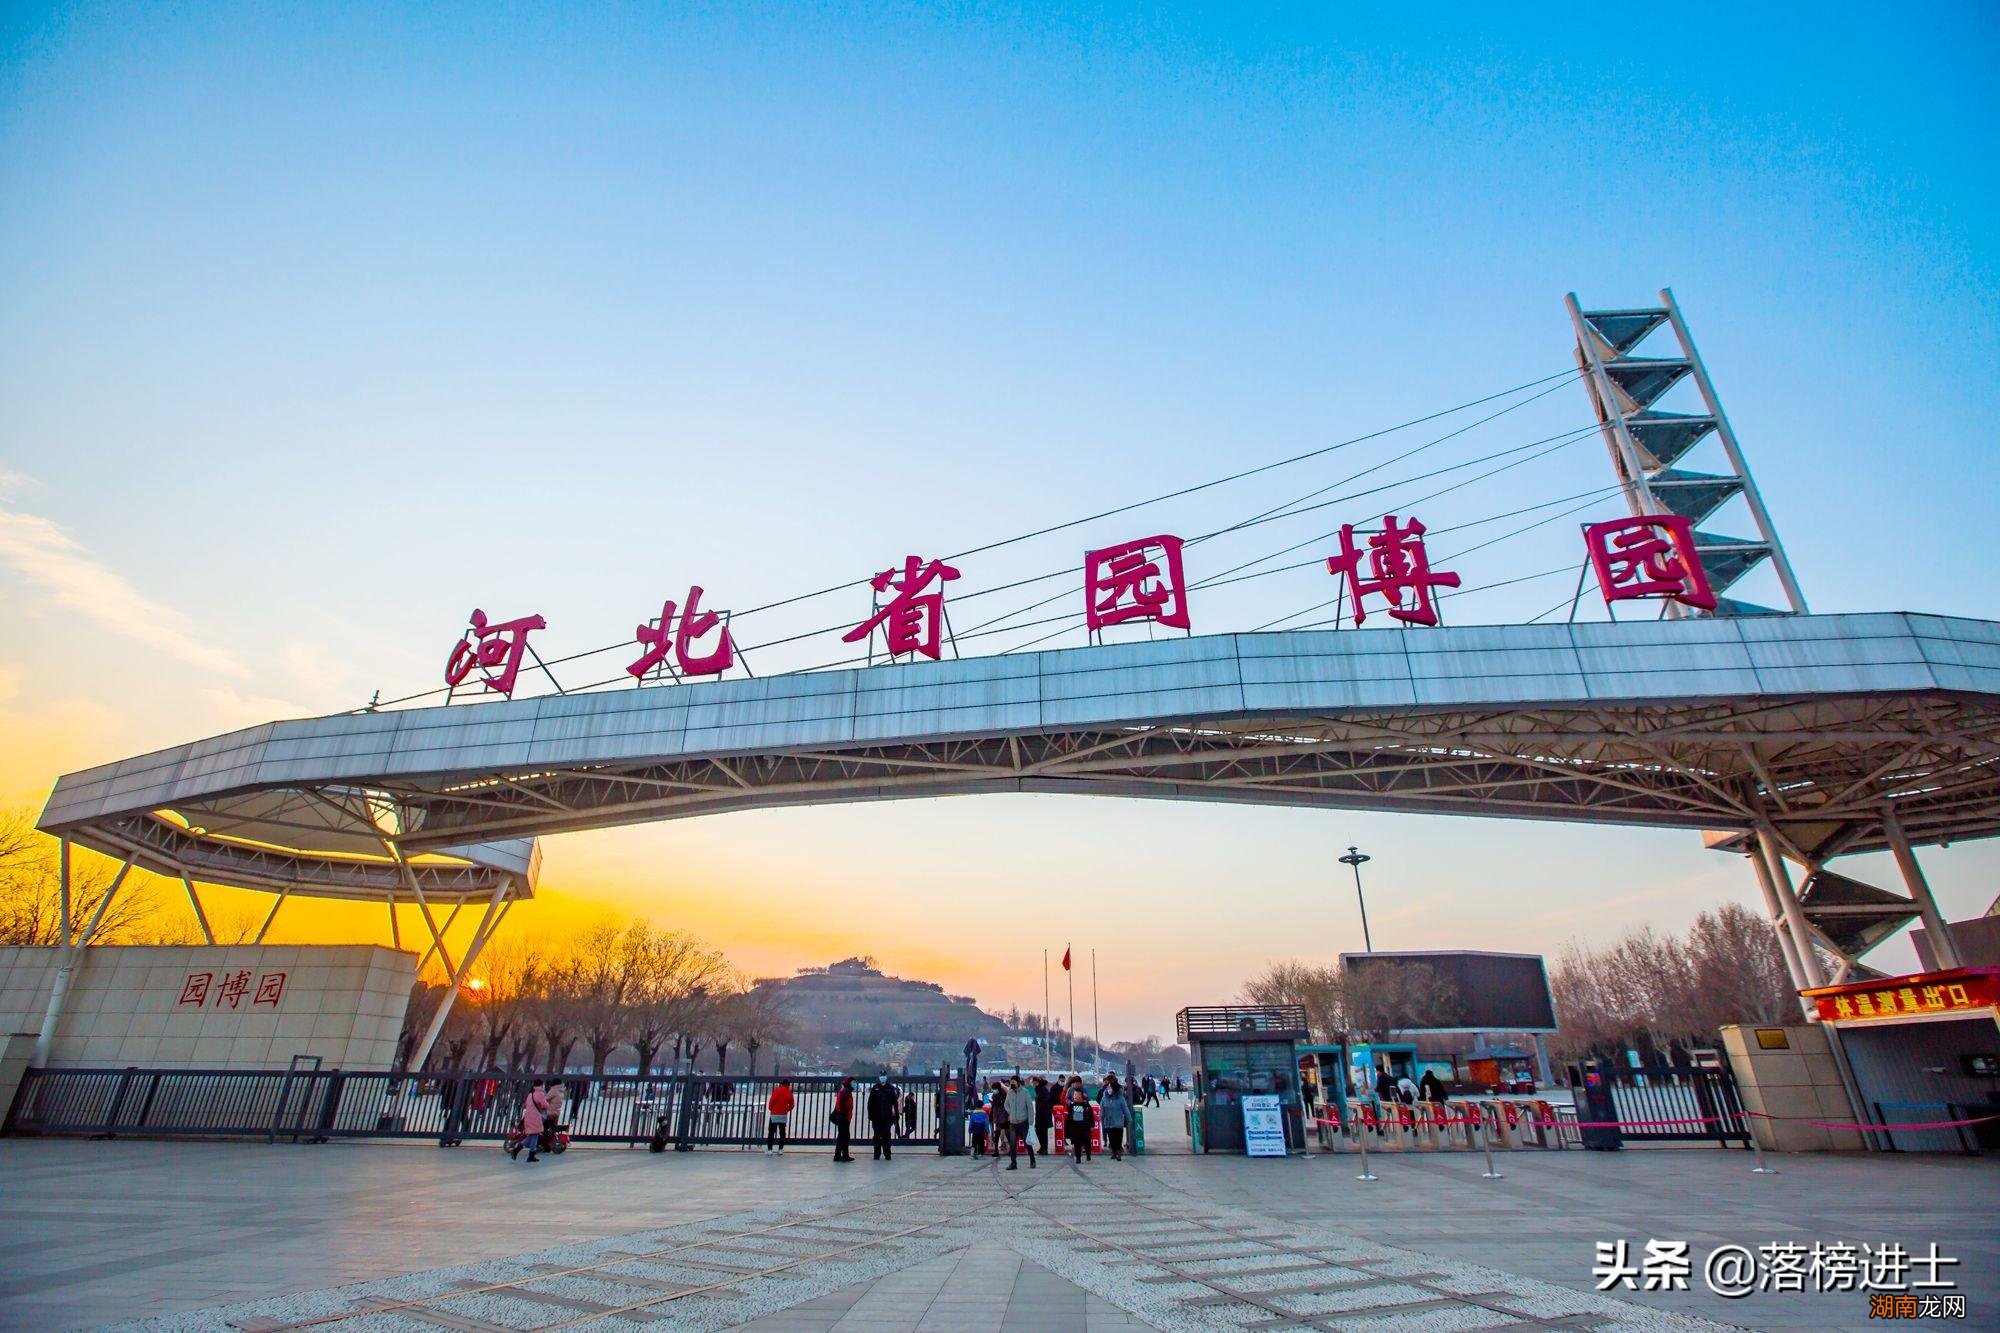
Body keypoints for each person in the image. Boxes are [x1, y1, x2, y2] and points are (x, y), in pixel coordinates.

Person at [1003, 1076, 1037, 1170]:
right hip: (1013, 1123)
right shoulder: (1010, 1093)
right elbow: (1006, 1104)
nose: (1012, 1084)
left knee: (1027, 1143)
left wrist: (1031, 1122)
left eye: (1013, 1082)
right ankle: (1013, 1163)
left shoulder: (1025, 1092)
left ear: (1018, 1083)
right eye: (1011, 1082)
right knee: (1013, 1144)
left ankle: (1032, 1160)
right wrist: (1010, 1112)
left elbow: (1030, 1107)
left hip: (1023, 1123)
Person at [513, 1079, 550, 1163]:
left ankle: (517, 1150)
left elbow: (526, 1104)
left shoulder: (530, 1094)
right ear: (541, 1085)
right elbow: (544, 1105)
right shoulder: (540, 1094)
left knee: (532, 1136)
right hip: (535, 1117)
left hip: (528, 1116)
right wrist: (547, 1104)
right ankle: (530, 1155)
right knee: (535, 1135)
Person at [1097, 1076, 1131, 1161]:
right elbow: (1102, 1109)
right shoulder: (1104, 1098)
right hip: (1108, 1122)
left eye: (1110, 1087)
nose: (1109, 1089)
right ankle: (1114, 1152)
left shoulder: (1120, 1098)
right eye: (1108, 1087)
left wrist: (1129, 1118)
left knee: (1118, 1139)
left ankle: (1118, 1152)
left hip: (1118, 1122)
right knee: (1111, 1139)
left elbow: (1125, 1108)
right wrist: (1100, 1117)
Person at [867, 1073, 899, 1160]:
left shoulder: (890, 1088)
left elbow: (895, 1102)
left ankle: (887, 1154)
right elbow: (870, 1103)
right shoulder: (875, 1088)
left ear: (886, 1077)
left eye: (884, 1076)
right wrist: (870, 1114)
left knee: (886, 1136)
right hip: (876, 1117)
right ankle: (876, 1154)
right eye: (881, 1076)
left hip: (887, 1117)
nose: (883, 1078)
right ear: (879, 1077)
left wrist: (896, 1114)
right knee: (876, 1136)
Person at [1064, 1083, 1094, 1162]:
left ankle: (1088, 1154)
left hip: (1085, 1127)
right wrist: (1068, 1128)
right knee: (1077, 1143)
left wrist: (1092, 1125)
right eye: (1074, 1095)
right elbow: (1069, 1117)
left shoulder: (1086, 1105)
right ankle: (1078, 1157)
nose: (1075, 1097)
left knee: (1086, 1142)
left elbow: (1091, 1116)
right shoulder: (1072, 1105)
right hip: (1075, 1127)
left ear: (1081, 1096)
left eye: (1077, 1095)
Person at [766, 1078, 794, 1153]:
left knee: (771, 1132)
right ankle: (780, 1149)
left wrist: (771, 1108)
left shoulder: (777, 1090)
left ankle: (770, 1149)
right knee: (782, 1132)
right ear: (788, 1085)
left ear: (781, 1084)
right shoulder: (789, 1092)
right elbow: (792, 1104)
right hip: (783, 1115)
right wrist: (786, 1109)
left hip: (774, 1114)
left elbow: (772, 1100)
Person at [831, 1078, 856, 1162]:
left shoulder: (845, 1090)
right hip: (844, 1118)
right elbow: (842, 1104)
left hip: (844, 1117)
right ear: (849, 1083)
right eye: (853, 1082)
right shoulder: (846, 1091)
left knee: (842, 1136)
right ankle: (844, 1155)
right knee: (844, 1136)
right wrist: (844, 1114)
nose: (854, 1084)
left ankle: (839, 1155)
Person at [541, 1078, 566, 1156]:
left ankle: (546, 1146)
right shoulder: (561, 1090)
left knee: (542, 1129)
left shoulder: (554, 1090)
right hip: (555, 1113)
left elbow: (544, 1099)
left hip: (549, 1113)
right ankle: (548, 1144)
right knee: (549, 1129)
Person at [1033, 1076, 1055, 1154]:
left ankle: (1044, 1148)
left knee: (1041, 1131)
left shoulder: (1042, 1089)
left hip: (1043, 1114)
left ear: (1037, 1082)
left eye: (1033, 1082)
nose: (1032, 1084)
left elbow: (1045, 1102)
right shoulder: (1040, 1089)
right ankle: (1043, 1147)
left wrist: (1039, 1110)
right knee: (1040, 1131)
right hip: (1041, 1114)